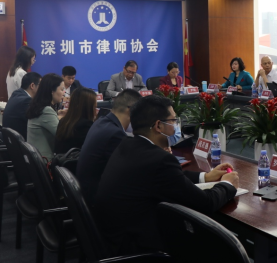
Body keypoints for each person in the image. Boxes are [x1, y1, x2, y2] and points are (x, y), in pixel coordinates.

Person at [95, 95, 238, 254]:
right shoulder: (159, 160)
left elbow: (169, 178)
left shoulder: (128, 145)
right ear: (158, 125)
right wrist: (228, 184)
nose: (176, 126)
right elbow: (206, 203)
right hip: (139, 248)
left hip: (114, 238)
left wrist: (205, 177)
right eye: (173, 121)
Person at [76, 89, 141, 207]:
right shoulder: (115, 134)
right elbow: (131, 172)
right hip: (97, 203)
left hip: (85, 194)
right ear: (131, 110)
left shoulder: (101, 122)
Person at [26, 73, 66, 160]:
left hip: (35, 159)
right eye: (62, 89)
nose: (64, 93)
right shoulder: (46, 111)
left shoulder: (38, 106)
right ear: (52, 91)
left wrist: (58, 114)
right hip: (45, 161)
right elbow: (63, 136)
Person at [54, 88, 96, 154]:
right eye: (95, 107)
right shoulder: (86, 126)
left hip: (60, 159)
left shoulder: (63, 121)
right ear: (89, 107)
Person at [2, 72, 42, 140]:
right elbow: (38, 122)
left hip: (10, 140)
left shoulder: (17, 94)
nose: (42, 89)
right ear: (32, 86)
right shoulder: (26, 101)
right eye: (41, 86)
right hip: (21, 142)